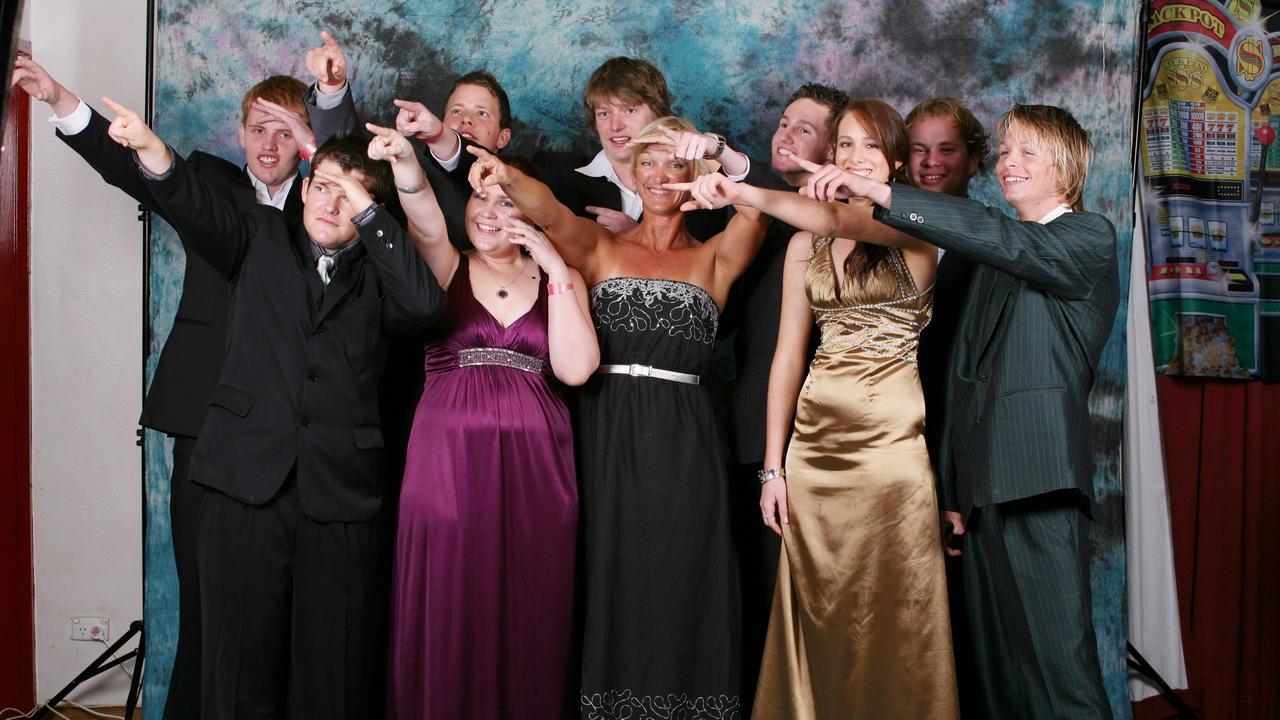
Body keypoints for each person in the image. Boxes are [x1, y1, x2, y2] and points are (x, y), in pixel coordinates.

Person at [11, 35, 356, 720]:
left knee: (299, 613)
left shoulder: (325, 206)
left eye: (284, 131)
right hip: (207, 421)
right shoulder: (208, 184)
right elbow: (132, 164)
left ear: (304, 139)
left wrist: (332, 107)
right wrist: (59, 100)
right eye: (257, 127)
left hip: (298, 432)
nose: (267, 142)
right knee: (209, 601)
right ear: (239, 132)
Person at [103, 100, 445, 718]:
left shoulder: (382, 273)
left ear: (369, 214)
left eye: (349, 198)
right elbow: (192, 205)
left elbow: (424, 306)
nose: (329, 204)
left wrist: (370, 209)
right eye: (323, 188)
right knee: (238, 668)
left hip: (339, 497)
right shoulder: (257, 238)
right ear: (305, 188)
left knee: (332, 674)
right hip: (243, 487)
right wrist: (151, 150)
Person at [783, 103, 1120, 719]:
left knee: (1060, 675)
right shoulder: (996, 258)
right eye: (1007, 151)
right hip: (985, 495)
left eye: (1027, 152)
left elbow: (997, 232)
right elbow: (961, 383)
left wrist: (881, 191)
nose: (1009, 163)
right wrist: (953, 491)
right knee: (1001, 681)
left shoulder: (1086, 237)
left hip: (1038, 483)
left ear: (1066, 168)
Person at [468, 116, 768, 718]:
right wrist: (505, 175)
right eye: (648, 162)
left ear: (694, 175)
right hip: (599, 436)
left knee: (681, 576)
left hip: (685, 446)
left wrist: (719, 158)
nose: (660, 175)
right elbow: (548, 211)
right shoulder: (601, 246)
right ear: (632, 171)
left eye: (674, 164)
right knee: (605, 577)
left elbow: (759, 211)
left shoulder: (715, 258)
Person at [677, 98, 958, 718]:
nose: (854, 158)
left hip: (892, 456)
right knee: (816, 611)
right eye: (845, 146)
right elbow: (785, 361)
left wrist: (744, 193)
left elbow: (845, 221)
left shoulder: (917, 230)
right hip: (813, 451)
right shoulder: (804, 242)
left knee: (896, 612)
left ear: (892, 162)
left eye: (869, 147)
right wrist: (773, 469)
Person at [363, 123, 598, 718]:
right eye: (479, 197)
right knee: (448, 597)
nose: (489, 212)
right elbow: (419, 215)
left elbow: (574, 370)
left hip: (538, 476)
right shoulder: (445, 264)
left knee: (530, 606)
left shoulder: (560, 280)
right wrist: (406, 164)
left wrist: (553, 263)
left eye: (505, 200)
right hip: (447, 470)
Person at [716, 82, 847, 713]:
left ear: (836, 148)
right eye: (783, 123)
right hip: (752, 434)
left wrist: (732, 162)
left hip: (834, 439)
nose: (785, 135)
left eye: (805, 129)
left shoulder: (852, 221)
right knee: (757, 596)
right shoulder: (759, 214)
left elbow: (761, 178)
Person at [904, 95, 989, 718]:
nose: (931, 163)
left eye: (948, 150)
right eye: (919, 150)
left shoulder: (990, 242)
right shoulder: (881, 228)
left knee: (950, 597)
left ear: (975, 160)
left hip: (949, 433)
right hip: (880, 427)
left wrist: (955, 476)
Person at [535, 56, 749, 240]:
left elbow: (754, 209)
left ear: (658, 114)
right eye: (604, 114)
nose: (615, 126)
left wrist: (636, 237)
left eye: (629, 110)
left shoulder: (696, 189)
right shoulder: (556, 175)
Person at [392, 70, 515, 250]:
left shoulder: (519, 185)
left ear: (502, 137)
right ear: (441, 121)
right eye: (457, 110)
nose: (466, 119)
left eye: (482, 113)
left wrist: (440, 136)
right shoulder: (405, 165)